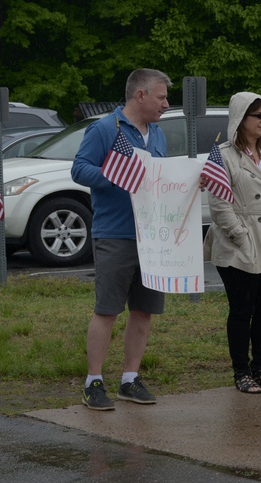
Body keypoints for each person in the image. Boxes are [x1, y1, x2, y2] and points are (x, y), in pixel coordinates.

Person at [71, 68, 171, 411]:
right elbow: (79, 169)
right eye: (161, 97)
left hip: (152, 236)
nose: (166, 104)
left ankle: (130, 379)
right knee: (107, 310)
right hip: (115, 233)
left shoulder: (158, 134)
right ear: (139, 95)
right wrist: (115, 176)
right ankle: (93, 382)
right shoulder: (103, 128)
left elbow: (160, 179)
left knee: (143, 310)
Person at [202, 92, 261, 394]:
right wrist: (241, 236)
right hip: (238, 243)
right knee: (242, 309)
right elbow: (219, 206)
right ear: (240, 118)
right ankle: (241, 372)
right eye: (257, 115)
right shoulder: (223, 155)